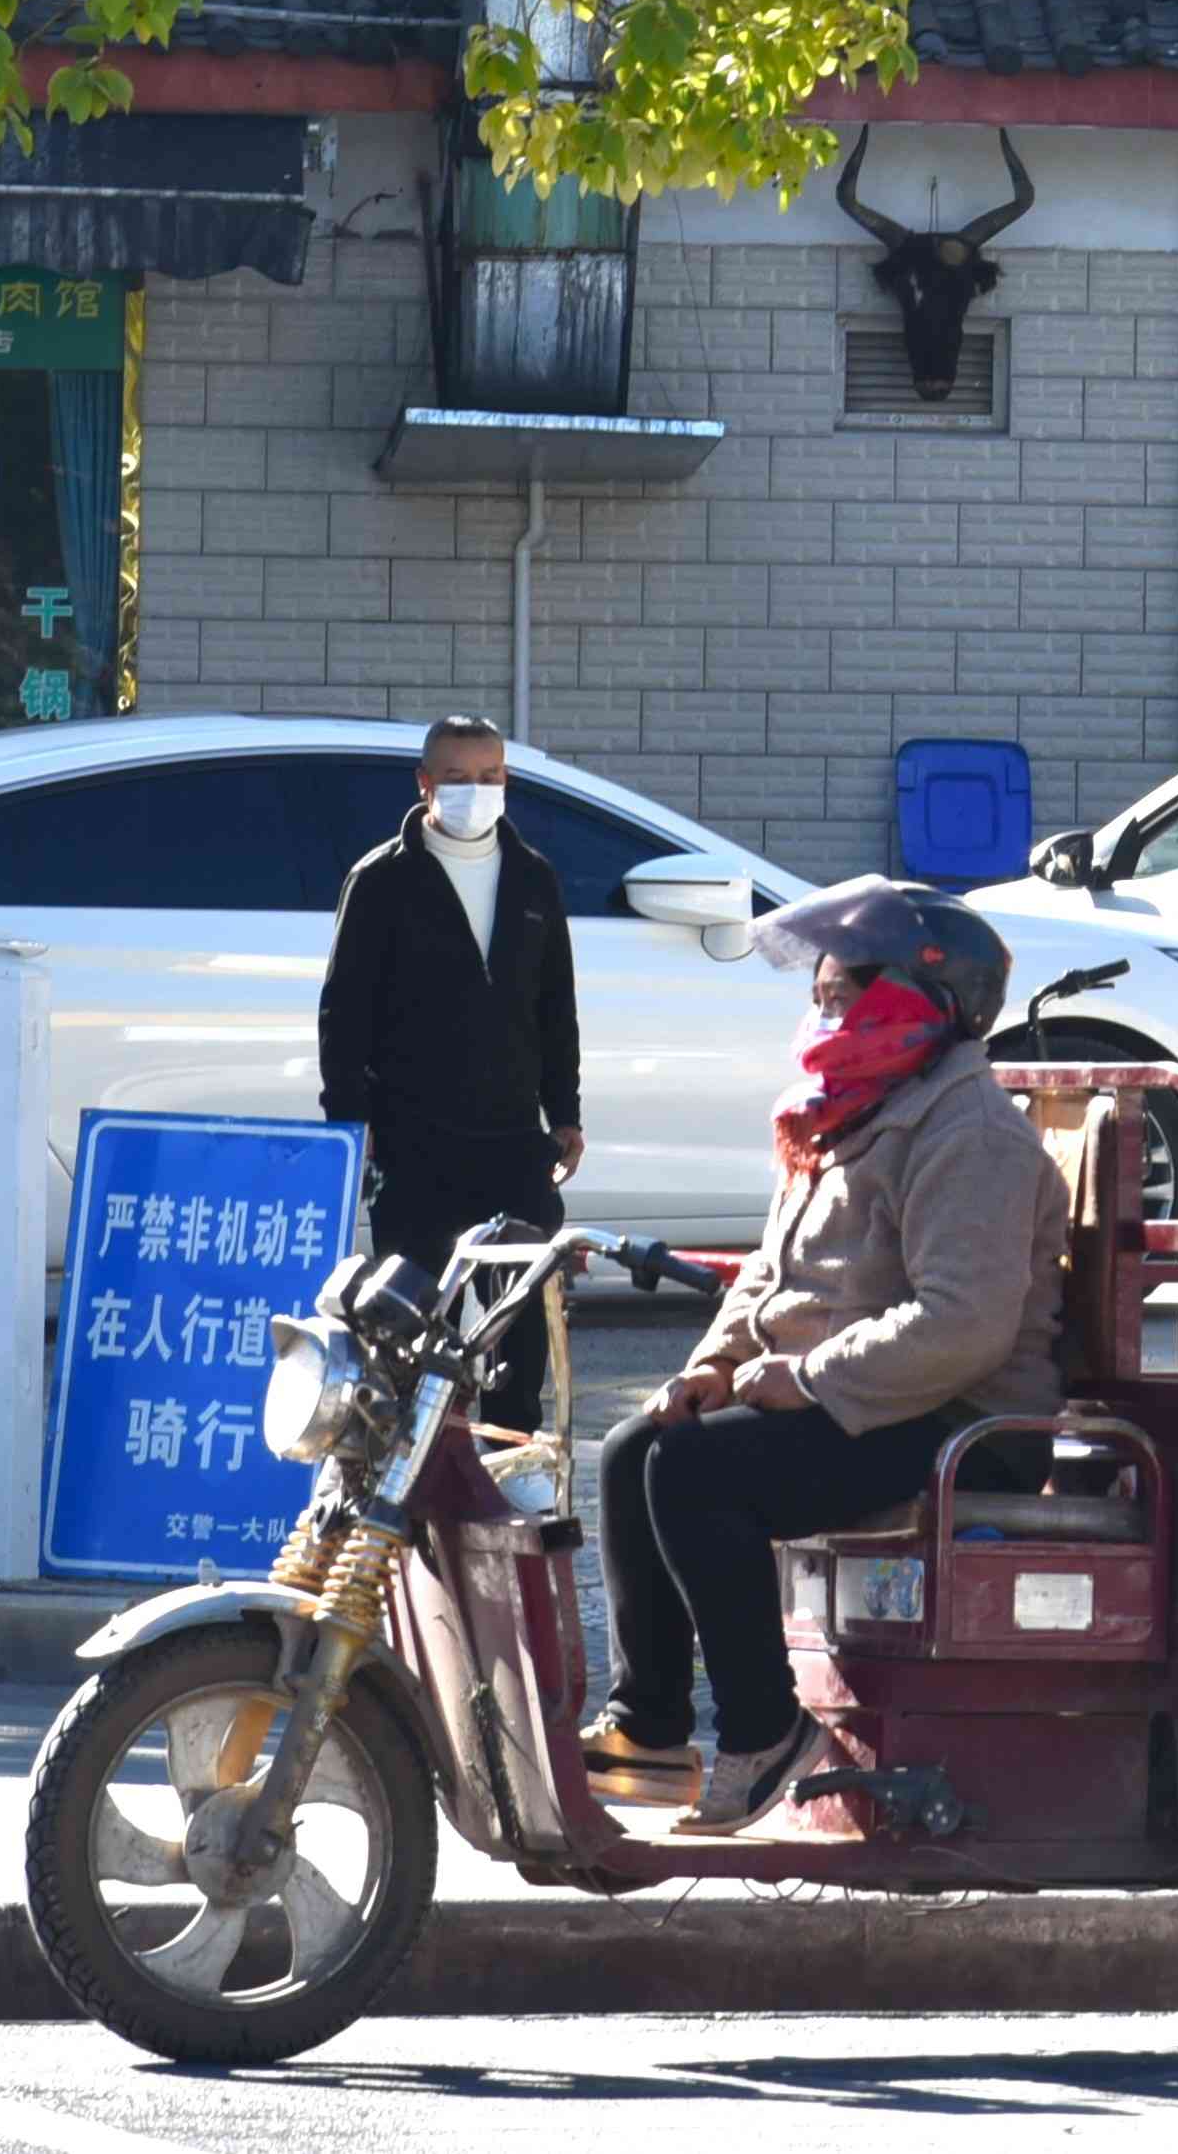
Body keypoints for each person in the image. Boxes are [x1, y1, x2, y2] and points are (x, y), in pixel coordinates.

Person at [579, 876, 1066, 1833]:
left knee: (693, 1473)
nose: (827, 1006)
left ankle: (763, 1732)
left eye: (847, 988)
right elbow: (770, 1271)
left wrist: (803, 1378)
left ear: (918, 998)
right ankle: (650, 1728)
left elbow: (964, 1326)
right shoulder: (845, 1113)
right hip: (866, 1400)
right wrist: (712, 1365)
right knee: (638, 1443)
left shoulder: (968, 1132)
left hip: (960, 1418)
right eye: (825, 990)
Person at [318, 714, 584, 1433]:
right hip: (414, 1145)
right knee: (405, 1321)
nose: (475, 791)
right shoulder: (381, 881)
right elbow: (343, 1012)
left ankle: (512, 1456)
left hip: (511, 1144)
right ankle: (402, 1469)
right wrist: (352, 1119)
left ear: (507, 780)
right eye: (458, 778)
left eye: (490, 776)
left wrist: (565, 1109)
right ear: (425, 783)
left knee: (516, 1325)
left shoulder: (533, 877)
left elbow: (555, 1006)